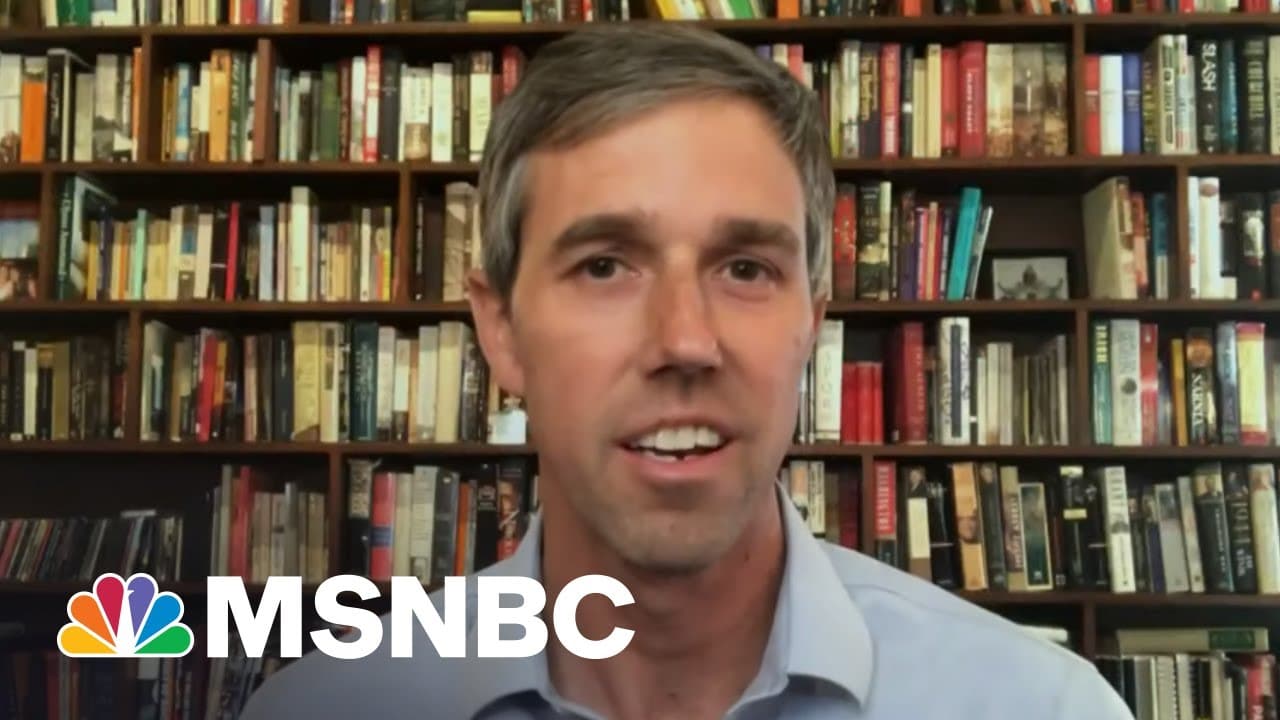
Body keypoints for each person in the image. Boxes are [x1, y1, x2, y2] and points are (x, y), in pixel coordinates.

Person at [238, 23, 1135, 720]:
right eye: (604, 266)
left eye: (745, 268)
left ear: (811, 324)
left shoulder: (1040, 706)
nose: (686, 340)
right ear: (501, 329)